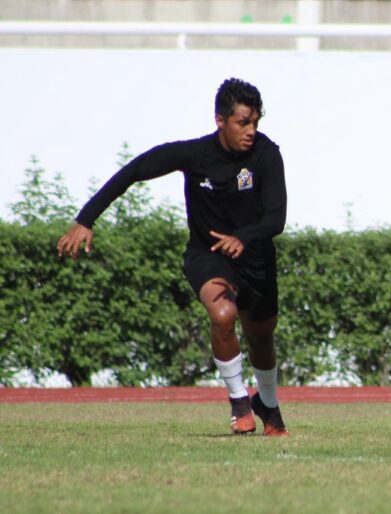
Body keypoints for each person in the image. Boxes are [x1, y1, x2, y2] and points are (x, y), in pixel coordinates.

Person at [57, 78, 288, 436]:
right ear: (220, 120)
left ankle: (268, 403)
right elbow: (135, 170)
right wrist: (86, 218)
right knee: (223, 313)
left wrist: (244, 237)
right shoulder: (195, 155)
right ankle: (240, 399)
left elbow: (276, 218)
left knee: (261, 338)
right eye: (243, 122)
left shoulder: (267, 154)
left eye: (256, 122)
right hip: (208, 256)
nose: (251, 130)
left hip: (256, 259)